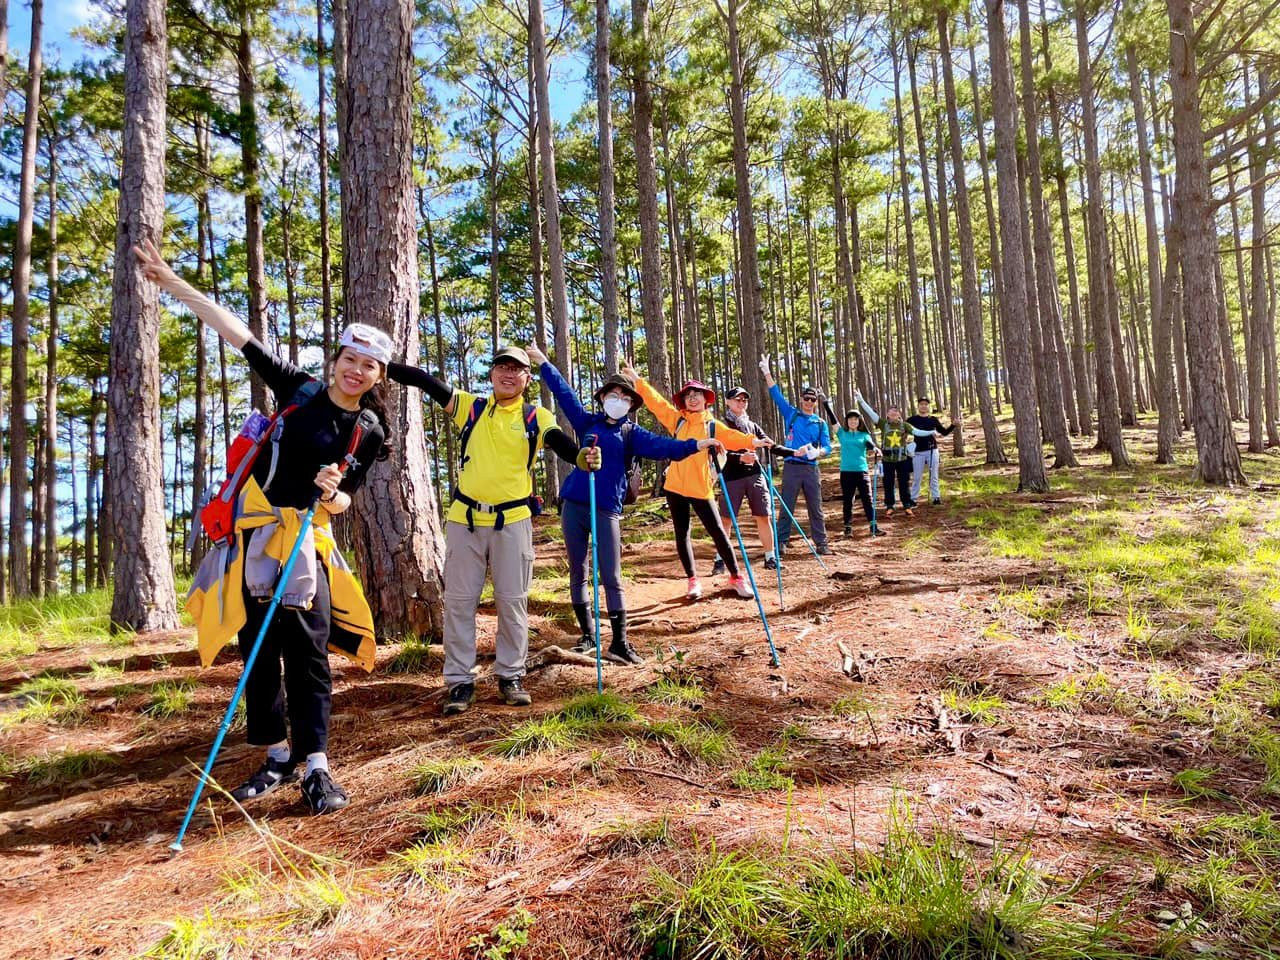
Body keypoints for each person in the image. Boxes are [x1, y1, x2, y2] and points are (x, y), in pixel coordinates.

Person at [136, 240, 387, 816]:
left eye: (369, 365)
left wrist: (334, 495)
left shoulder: (369, 429)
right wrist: (174, 284)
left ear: (376, 376)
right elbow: (234, 330)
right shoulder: (297, 391)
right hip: (254, 538)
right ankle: (275, 756)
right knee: (257, 650)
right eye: (351, 358)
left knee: (310, 652)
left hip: (307, 544)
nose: (357, 370)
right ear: (336, 360)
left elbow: (351, 499)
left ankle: (316, 765)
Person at [388, 346, 589, 716]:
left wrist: (580, 457)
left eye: (517, 369)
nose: (508, 374)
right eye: (502, 367)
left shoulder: (534, 415)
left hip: (512, 522)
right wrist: (380, 366)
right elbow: (426, 382)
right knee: (460, 605)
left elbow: (559, 441)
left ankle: (511, 675)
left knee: (512, 602)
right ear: (492, 373)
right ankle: (459, 681)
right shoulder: (472, 407)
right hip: (465, 521)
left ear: (528, 379)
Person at [526, 345, 722, 665]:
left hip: (607, 510)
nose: (618, 399)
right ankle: (588, 635)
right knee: (578, 571)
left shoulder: (632, 433)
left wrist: (698, 444)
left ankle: (619, 642)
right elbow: (564, 394)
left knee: (612, 575)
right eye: (612, 394)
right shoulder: (586, 422)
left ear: (631, 404)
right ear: (603, 398)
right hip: (574, 504)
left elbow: (664, 447)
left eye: (624, 396)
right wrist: (545, 363)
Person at [624, 362, 772, 600]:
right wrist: (637, 380)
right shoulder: (677, 420)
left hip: (701, 488)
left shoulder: (713, 425)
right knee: (682, 534)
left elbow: (733, 438)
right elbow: (657, 403)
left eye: (697, 395)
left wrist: (753, 442)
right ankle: (693, 581)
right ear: (684, 401)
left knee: (718, 533)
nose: (693, 399)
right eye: (688, 396)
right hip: (674, 487)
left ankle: (735, 577)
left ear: (706, 400)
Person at [713, 386, 792, 575]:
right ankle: (719, 560)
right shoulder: (721, 425)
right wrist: (739, 458)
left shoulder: (752, 426)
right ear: (727, 402)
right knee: (726, 519)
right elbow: (716, 451)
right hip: (731, 477)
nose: (741, 403)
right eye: (737, 399)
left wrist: (795, 452)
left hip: (756, 474)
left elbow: (769, 444)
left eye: (744, 400)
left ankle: (770, 557)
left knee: (763, 515)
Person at [759, 358, 832, 556]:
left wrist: (819, 452)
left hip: (810, 468)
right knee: (786, 505)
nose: (809, 403)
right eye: (806, 399)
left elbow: (828, 446)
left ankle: (821, 543)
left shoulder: (820, 423)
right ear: (801, 399)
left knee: (815, 508)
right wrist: (767, 372)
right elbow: (776, 395)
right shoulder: (792, 414)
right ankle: (781, 541)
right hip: (791, 466)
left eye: (812, 400)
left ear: (816, 403)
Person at [855, 389, 938, 517]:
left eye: (896, 411)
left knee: (904, 483)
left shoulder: (905, 426)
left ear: (899, 415)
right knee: (888, 483)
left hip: (902, 460)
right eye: (891, 411)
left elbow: (917, 432)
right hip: (887, 460)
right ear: (887, 414)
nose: (894, 413)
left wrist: (930, 432)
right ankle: (890, 506)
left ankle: (907, 505)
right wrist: (860, 400)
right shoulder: (883, 424)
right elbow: (870, 413)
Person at [822, 398, 884, 538]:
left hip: (862, 471)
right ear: (847, 421)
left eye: (855, 419)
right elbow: (832, 419)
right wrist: (826, 404)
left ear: (859, 421)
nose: (853, 421)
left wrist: (874, 448)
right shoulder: (842, 433)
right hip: (846, 472)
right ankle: (848, 528)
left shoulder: (864, 434)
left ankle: (873, 526)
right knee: (848, 500)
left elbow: (869, 443)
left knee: (867, 499)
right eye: (850, 419)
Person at [907, 397, 956, 506]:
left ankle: (936, 498)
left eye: (926, 404)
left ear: (928, 406)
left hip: (932, 450)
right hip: (918, 452)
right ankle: (913, 499)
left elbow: (944, 432)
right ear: (918, 406)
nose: (923, 406)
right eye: (921, 404)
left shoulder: (933, 419)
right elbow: (903, 430)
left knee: (933, 475)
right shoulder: (912, 420)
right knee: (917, 476)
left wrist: (953, 425)